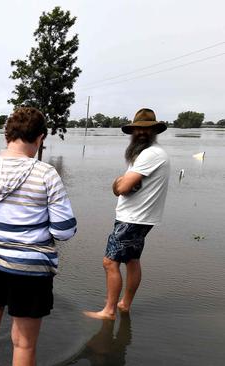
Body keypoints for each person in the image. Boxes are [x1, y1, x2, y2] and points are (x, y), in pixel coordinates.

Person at [0, 107, 77, 366]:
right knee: (23, 343)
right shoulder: (46, 174)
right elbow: (64, 230)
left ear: (7, 136)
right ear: (40, 138)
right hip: (30, 268)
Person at [84, 108, 170, 320]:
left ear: (154, 131)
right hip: (138, 217)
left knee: (110, 261)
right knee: (132, 260)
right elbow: (125, 184)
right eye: (137, 129)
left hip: (133, 218)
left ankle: (109, 311)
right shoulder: (147, 153)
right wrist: (120, 183)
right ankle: (123, 304)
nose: (141, 132)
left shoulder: (151, 154)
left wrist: (116, 183)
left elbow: (122, 187)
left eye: (146, 129)